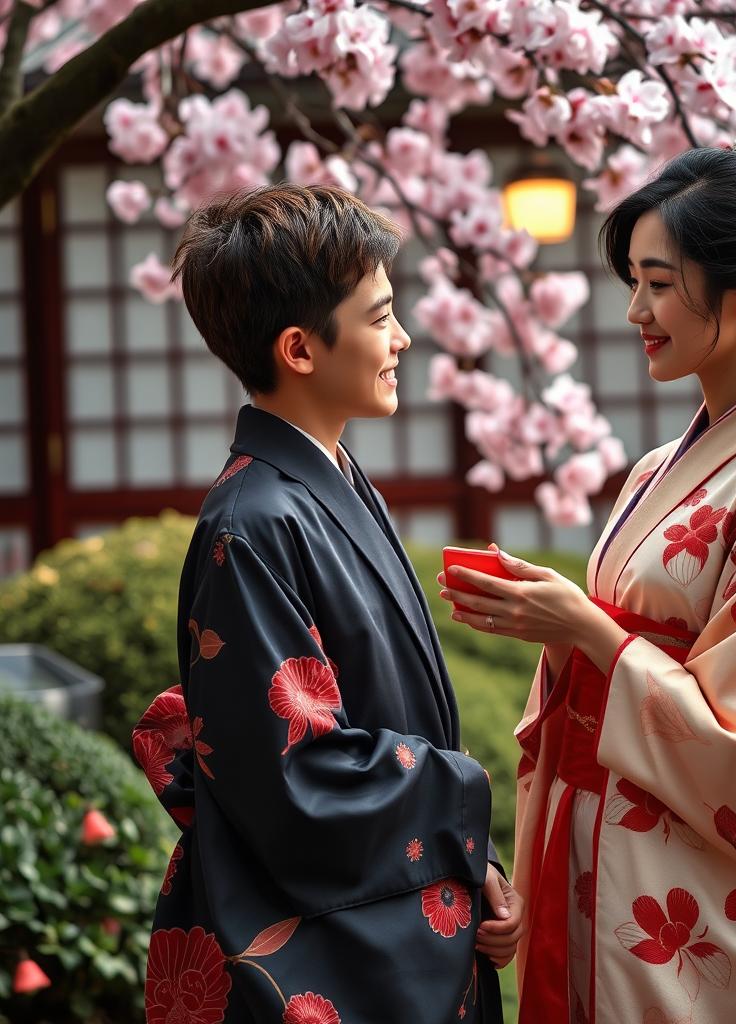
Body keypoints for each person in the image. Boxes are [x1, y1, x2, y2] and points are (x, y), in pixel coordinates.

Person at [439, 113, 736, 1023]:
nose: (635, 313)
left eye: (659, 284)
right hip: (607, 871)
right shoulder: (657, 472)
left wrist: (582, 625)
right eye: (635, 283)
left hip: (688, 904)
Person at [131, 184, 520, 1024]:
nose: (404, 338)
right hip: (337, 951)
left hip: (401, 912)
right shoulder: (254, 522)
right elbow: (297, 775)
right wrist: (460, 803)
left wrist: (472, 858)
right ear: (301, 349)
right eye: (380, 318)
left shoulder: (323, 482)